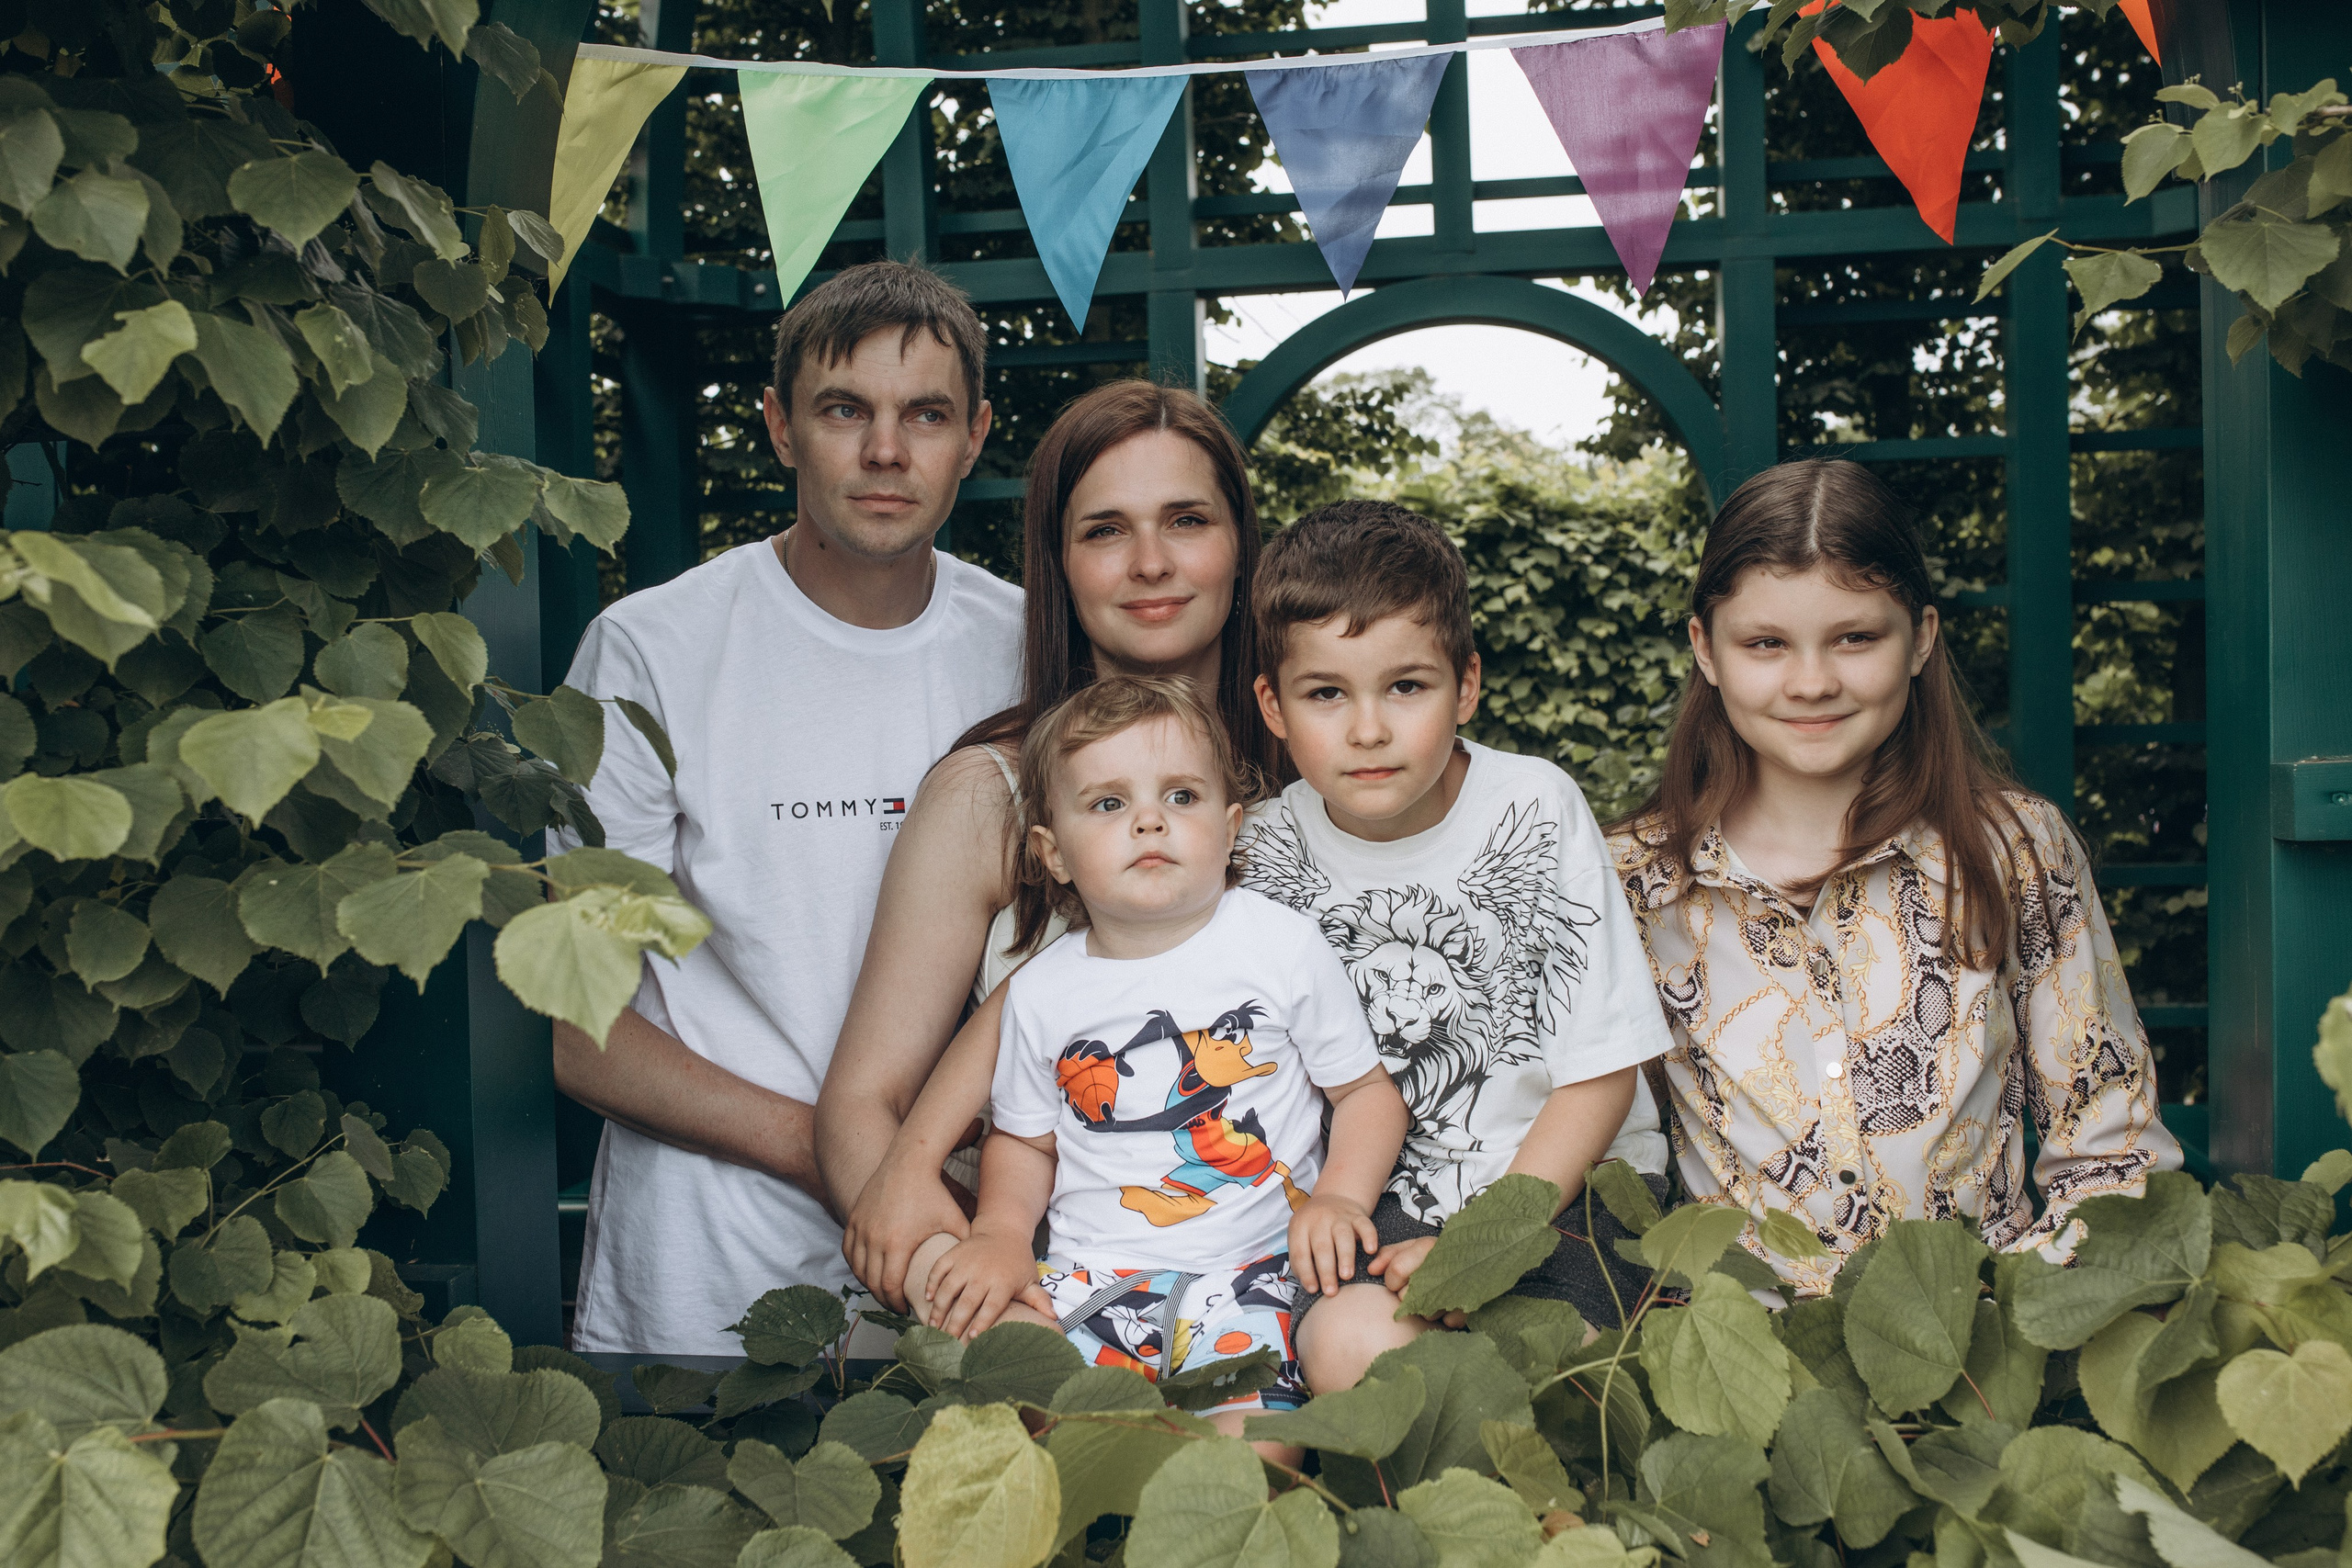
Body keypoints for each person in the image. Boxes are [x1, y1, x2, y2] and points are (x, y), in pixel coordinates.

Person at [549, 261, 1023, 1355]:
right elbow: (586, 1034)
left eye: (927, 415)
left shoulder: (1027, 648)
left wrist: (931, 1191)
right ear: (777, 426)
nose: (886, 451)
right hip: (703, 1274)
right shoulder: (650, 651)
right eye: (844, 409)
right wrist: (858, 1162)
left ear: (976, 435)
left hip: (970, 1269)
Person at [1608, 459, 2180, 1298]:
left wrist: (2002, 1317)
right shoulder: (1634, 882)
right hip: (1741, 1377)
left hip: (1983, 1366)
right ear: (1706, 648)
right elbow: (1609, 1161)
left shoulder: (2017, 849)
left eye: (1855, 637)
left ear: (1920, 638)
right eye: (1766, 643)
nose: (1812, 681)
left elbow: (2115, 1152)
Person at [817, 381, 1279, 1311]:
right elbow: (859, 1109)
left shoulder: (1322, 781)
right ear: (1058, 562)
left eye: (1186, 519)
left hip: (1290, 1289)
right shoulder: (990, 793)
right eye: (1105, 530)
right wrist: (965, 1283)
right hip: (1046, 1294)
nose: (1150, 562)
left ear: (1240, 547)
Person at [1234, 501, 1677, 1393]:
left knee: (1568, 1366)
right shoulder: (1261, 847)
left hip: (1563, 1193)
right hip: (1375, 1205)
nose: (1367, 730)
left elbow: (1598, 1075)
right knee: (1349, 1343)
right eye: (1326, 693)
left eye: (1406, 687)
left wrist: (1482, 1248)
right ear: (1271, 706)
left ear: (1466, 686)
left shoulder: (1534, 808)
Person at [908, 676, 1406, 1443]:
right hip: (1088, 1278)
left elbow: (1369, 1095)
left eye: (1181, 796)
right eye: (1109, 804)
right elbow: (1024, 1139)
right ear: (1054, 852)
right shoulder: (1041, 991)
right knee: (1010, 1381)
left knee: (1256, 1455)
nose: (1149, 820)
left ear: (1232, 825)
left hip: (1257, 1274)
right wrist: (1001, 1233)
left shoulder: (1278, 947)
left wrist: (1341, 1196)